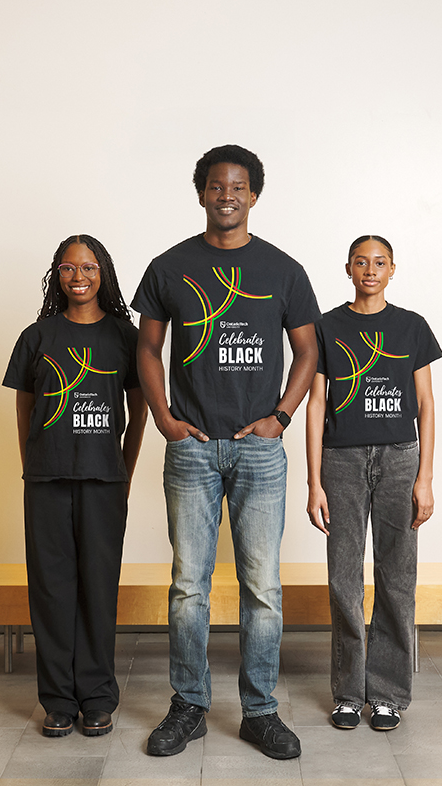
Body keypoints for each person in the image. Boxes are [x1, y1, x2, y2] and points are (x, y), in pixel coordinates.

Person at [131, 145, 319, 759]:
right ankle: (188, 706)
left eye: (238, 186)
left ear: (254, 195)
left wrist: (280, 418)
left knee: (262, 587)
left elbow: (309, 351)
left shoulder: (283, 270)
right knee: (189, 586)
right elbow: (146, 349)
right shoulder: (169, 267)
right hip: (192, 451)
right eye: (216, 186)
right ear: (201, 193)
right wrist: (165, 418)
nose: (227, 195)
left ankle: (260, 711)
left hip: (259, 453)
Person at [2, 234, 147, 738]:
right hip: (46, 480)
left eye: (87, 267)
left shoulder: (126, 337)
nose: (78, 276)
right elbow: (24, 409)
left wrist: (125, 472)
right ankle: (58, 699)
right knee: (51, 591)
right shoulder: (36, 337)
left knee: (98, 591)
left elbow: (138, 413)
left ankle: (98, 696)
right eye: (68, 268)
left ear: (103, 272)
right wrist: (32, 466)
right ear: (56, 275)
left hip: (105, 481)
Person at [305, 235, 442, 732]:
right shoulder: (326, 327)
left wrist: (425, 477)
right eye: (361, 262)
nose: (370, 270)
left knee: (397, 579)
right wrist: (314, 481)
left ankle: (387, 694)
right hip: (341, 461)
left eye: (379, 262)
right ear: (348, 268)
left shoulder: (412, 327)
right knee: (344, 579)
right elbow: (316, 403)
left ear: (392, 269)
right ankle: (348, 693)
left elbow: (425, 404)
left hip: (400, 460)